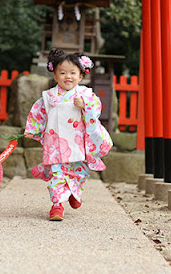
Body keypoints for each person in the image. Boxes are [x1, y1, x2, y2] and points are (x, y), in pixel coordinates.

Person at [25, 48, 113, 221]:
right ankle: (57, 206)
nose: (68, 76)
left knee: (79, 173)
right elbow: (38, 113)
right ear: (55, 76)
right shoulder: (48, 97)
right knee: (58, 174)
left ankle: (74, 192)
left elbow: (95, 110)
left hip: (77, 144)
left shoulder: (86, 95)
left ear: (81, 76)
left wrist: (85, 106)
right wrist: (33, 130)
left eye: (73, 73)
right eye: (62, 72)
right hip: (56, 144)